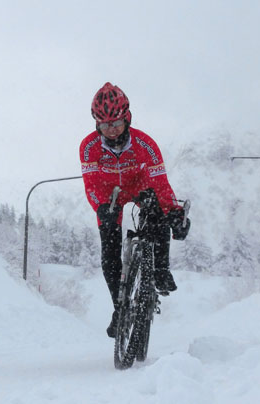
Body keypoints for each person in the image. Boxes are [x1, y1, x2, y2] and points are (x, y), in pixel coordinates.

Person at [79, 82, 190, 337]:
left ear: (127, 118)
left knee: (158, 214)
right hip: (110, 194)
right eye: (105, 126)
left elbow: (160, 183)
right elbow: (91, 184)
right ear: (97, 124)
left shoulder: (145, 144)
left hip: (140, 185)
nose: (112, 131)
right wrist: (101, 208)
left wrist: (173, 211)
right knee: (109, 252)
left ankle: (160, 271)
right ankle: (120, 308)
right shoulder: (88, 146)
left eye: (116, 123)